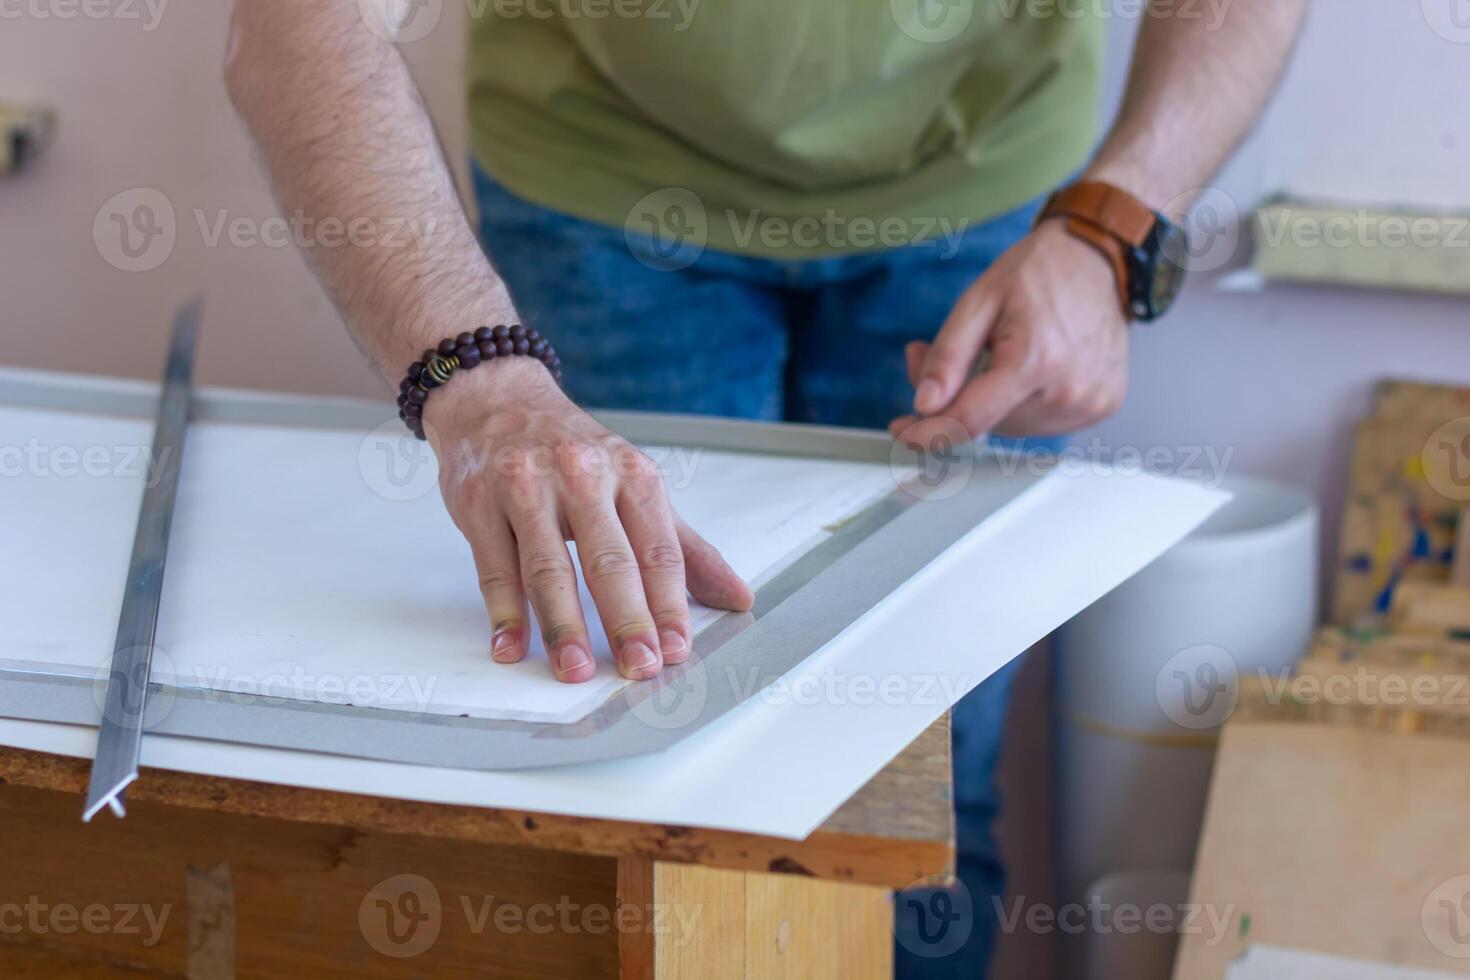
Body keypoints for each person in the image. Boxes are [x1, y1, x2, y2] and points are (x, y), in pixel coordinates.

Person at [224, 1, 1306, 972]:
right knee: (636, 767)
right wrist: (478, 380)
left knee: (917, 791)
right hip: (605, 192)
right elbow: (293, 21)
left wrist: (1113, 224)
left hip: (986, 193)